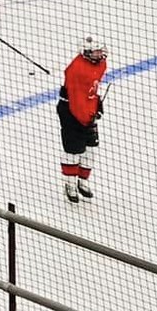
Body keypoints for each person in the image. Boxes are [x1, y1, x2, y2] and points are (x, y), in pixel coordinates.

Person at [57, 36, 108, 203]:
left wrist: (95, 105)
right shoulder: (76, 70)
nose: (100, 54)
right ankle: (70, 184)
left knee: (91, 149)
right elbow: (77, 100)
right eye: (96, 51)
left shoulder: (101, 64)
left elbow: (91, 89)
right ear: (86, 53)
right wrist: (86, 117)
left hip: (86, 111)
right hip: (71, 112)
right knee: (73, 150)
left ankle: (83, 181)